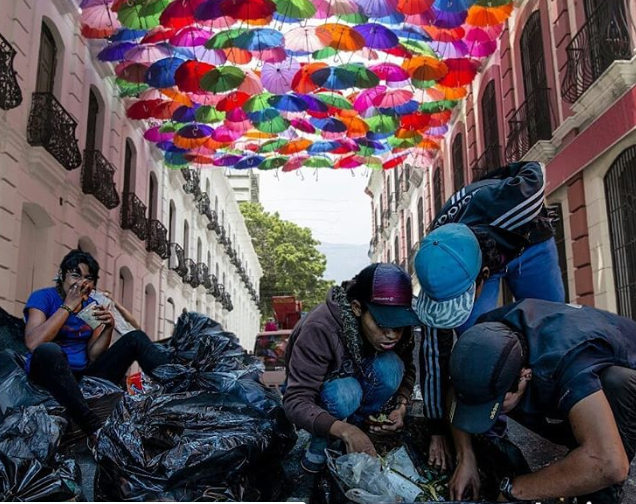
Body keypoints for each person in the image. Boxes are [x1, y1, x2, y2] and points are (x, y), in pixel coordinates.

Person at [413, 161, 565, 470]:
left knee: (551, 330)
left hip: (527, 242)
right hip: (471, 249)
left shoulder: (512, 204)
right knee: (476, 346)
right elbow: (433, 356)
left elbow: (533, 170)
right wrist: (437, 429)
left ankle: (563, 416)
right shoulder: (436, 265)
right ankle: (490, 432)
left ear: (482, 277)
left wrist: (493, 179)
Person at [448, 299, 636, 503]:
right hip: (568, 371)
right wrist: (465, 456)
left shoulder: (568, 364)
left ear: (525, 375)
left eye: (497, 404)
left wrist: (514, 490)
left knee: (618, 385)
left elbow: (609, 463)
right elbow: (457, 389)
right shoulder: (486, 337)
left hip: (621, 382)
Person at [283, 263, 421, 473]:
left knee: (391, 367)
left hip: (360, 384)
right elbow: (295, 400)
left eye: (398, 325)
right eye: (382, 323)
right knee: (345, 393)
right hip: (325, 394)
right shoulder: (320, 328)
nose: (392, 334)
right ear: (357, 308)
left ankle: (361, 426)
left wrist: (401, 406)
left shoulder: (397, 331)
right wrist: (344, 430)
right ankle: (324, 440)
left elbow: (407, 368)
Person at [23, 250, 169, 441]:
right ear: (62, 275)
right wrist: (67, 307)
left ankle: (180, 386)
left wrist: (108, 328)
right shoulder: (43, 297)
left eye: (88, 278)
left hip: (82, 376)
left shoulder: (91, 306)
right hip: (47, 372)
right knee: (49, 350)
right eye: (75, 275)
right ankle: (93, 428)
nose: (81, 283)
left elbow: (93, 355)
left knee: (136, 338)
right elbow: (34, 343)